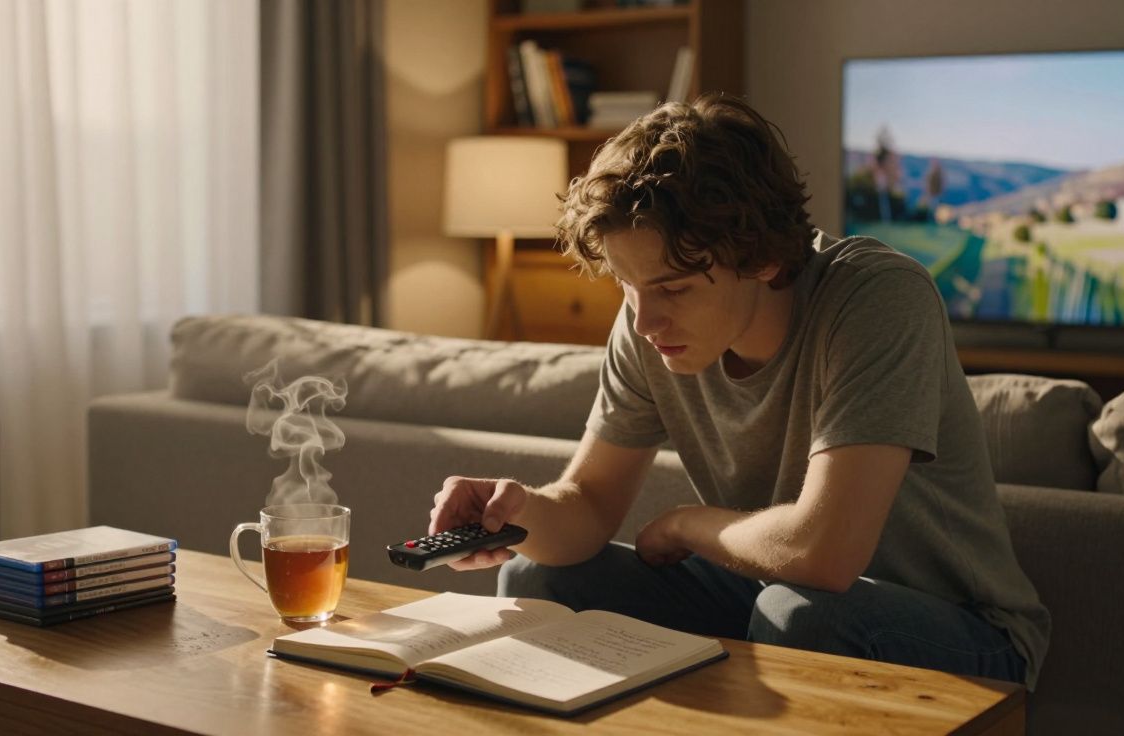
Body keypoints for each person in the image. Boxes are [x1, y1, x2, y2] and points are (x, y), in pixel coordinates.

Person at [427, 94, 1049, 690]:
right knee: (539, 573)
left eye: (672, 289)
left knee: (803, 614)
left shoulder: (878, 298)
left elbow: (824, 553)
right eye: (625, 285)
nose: (644, 322)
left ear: (763, 261)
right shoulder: (649, 323)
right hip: (768, 592)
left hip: (962, 631)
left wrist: (686, 526)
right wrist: (515, 512)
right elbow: (588, 505)